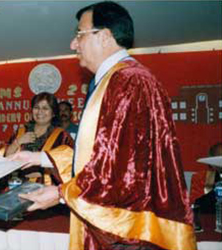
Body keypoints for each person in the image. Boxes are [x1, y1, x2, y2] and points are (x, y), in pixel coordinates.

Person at [13, 2, 196, 249]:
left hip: (126, 233)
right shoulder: (114, 80)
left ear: (106, 36)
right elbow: (97, 155)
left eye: (79, 34)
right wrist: (40, 159)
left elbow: (118, 167)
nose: (73, 44)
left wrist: (59, 194)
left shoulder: (129, 82)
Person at [3, 92, 74, 185]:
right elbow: (6, 159)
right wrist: (18, 142)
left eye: (45, 108)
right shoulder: (21, 131)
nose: (40, 112)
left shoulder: (62, 135)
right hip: (18, 185)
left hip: (47, 188)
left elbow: (68, 165)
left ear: (53, 113)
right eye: (36, 107)